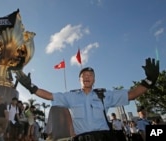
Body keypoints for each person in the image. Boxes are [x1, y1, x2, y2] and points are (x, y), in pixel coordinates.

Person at [15, 58, 159, 141]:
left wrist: (149, 81)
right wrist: (31, 87)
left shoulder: (104, 95)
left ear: (94, 79)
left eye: (90, 75)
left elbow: (131, 94)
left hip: (104, 138)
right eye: (84, 75)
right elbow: (50, 95)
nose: (87, 77)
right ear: (79, 80)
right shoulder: (71, 97)